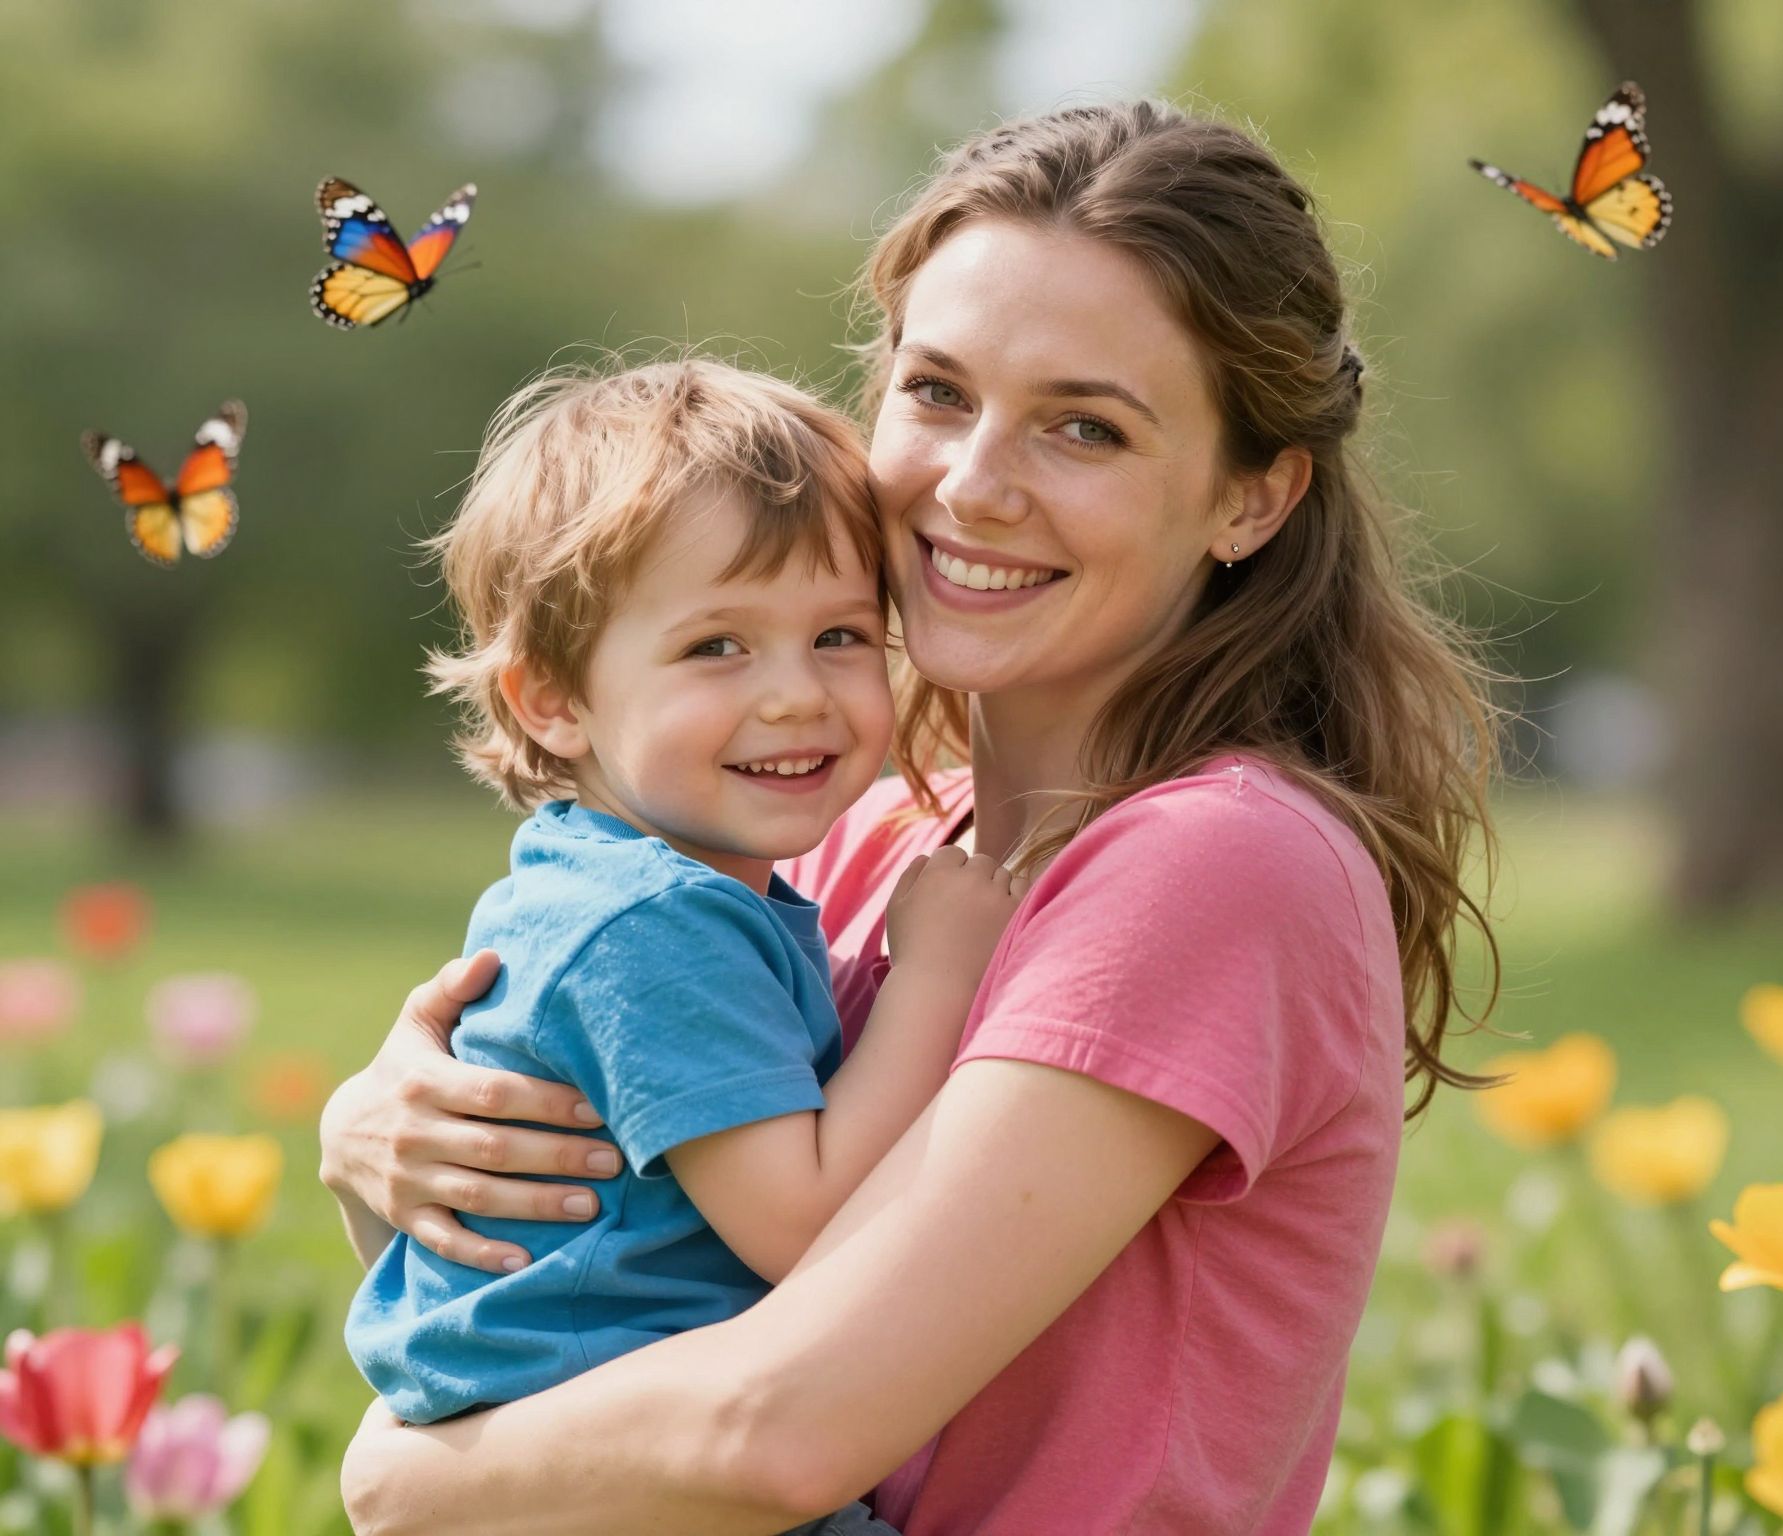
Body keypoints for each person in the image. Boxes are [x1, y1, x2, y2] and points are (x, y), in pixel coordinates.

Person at [324, 100, 1500, 1535]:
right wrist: (382, 1134)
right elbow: (581, 1288)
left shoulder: (1217, 861)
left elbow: (777, 1434)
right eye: (938, 393)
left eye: (1085, 427)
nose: (973, 485)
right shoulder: (854, 843)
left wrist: (400, 1481)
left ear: (1250, 499)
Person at [338, 358, 1020, 1535]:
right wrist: (941, 976)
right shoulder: (653, 922)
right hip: (623, 1474)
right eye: (718, 648)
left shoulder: (614, 881)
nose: (795, 694)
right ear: (551, 698)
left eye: (841, 635)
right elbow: (801, 1224)